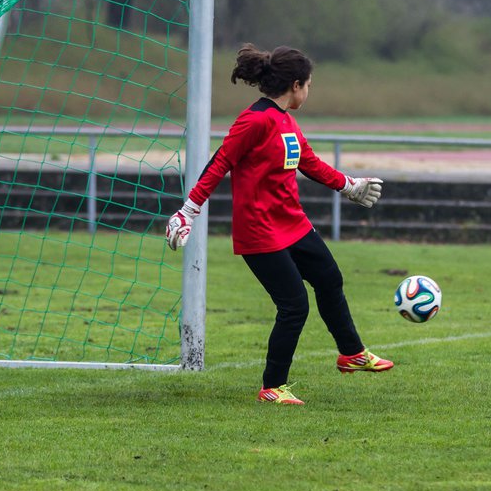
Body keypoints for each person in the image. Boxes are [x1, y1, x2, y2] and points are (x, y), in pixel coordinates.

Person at [165, 43, 393, 405]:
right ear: (297, 85)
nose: (309, 91)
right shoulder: (254, 120)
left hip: (292, 223)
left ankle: (351, 354)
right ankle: (272, 386)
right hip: (259, 230)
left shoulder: (286, 121)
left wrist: (350, 186)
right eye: (309, 85)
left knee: (329, 278)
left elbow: (311, 163)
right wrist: (188, 211)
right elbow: (220, 162)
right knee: (294, 305)